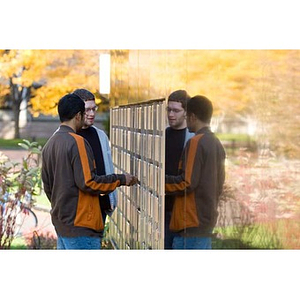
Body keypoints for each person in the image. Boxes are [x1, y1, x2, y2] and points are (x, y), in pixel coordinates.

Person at [41, 93, 138, 250]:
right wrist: (121, 179)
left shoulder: (50, 144)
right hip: (81, 226)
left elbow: (48, 186)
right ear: (78, 115)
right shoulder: (78, 142)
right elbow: (89, 182)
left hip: (62, 224)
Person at [165, 95, 226, 249]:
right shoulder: (216, 143)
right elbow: (220, 183)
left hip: (190, 224)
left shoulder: (195, 142)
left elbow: (186, 182)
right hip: (206, 221)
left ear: (192, 117)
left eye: (186, 116)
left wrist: (159, 182)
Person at [73, 88, 115, 231]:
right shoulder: (67, 136)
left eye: (94, 109)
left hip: (100, 209)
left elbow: (108, 168)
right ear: (77, 111)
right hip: (78, 214)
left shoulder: (100, 135)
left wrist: (111, 202)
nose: (92, 114)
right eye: (87, 110)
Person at [164, 90, 194, 249]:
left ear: (186, 112)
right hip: (164, 209)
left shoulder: (193, 137)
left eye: (176, 110)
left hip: (184, 211)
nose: (171, 114)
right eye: (169, 109)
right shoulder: (161, 136)